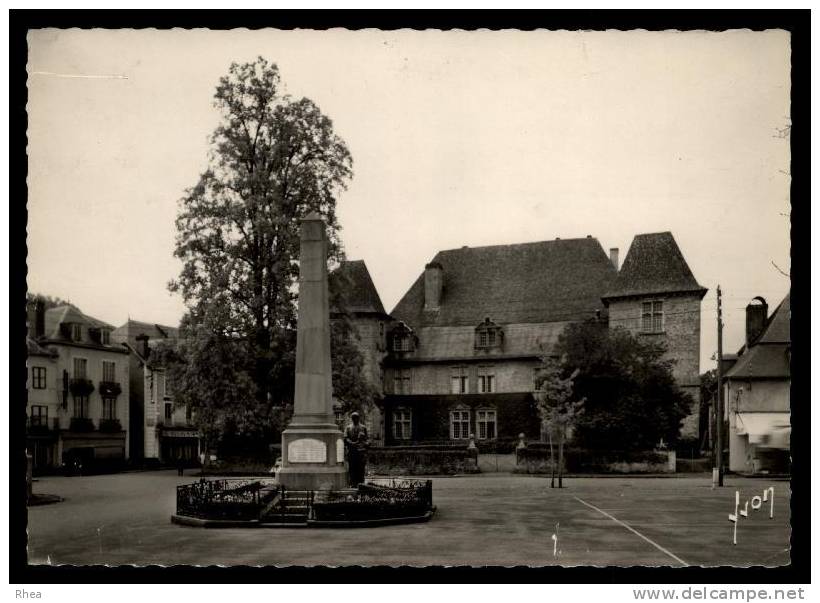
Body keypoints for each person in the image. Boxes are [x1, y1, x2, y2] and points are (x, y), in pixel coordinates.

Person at [343, 411, 369, 486]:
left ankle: (361, 484)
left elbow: (367, 439)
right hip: (352, 451)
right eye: (353, 418)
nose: (355, 419)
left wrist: (367, 443)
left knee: (361, 468)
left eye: (356, 417)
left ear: (358, 418)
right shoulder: (348, 428)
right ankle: (352, 483)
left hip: (360, 452)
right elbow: (345, 438)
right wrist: (351, 443)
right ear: (351, 418)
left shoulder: (363, 427)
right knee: (352, 468)